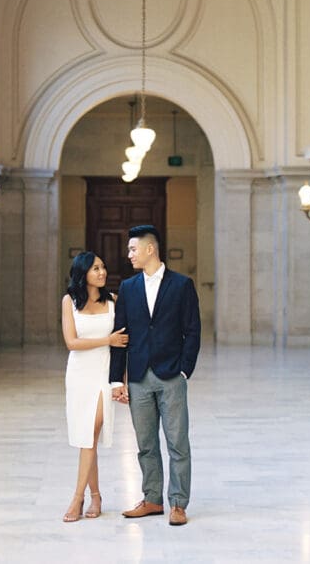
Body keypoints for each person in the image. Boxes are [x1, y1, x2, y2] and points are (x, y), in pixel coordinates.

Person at [110, 224, 201, 526]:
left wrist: (185, 370)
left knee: (177, 443)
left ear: (151, 249)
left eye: (133, 249)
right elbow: (120, 335)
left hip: (171, 375)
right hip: (138, 377)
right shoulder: (128, 287)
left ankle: (178, 503)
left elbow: (193, 330)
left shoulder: (181, 285)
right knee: (146, 443)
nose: (129, 254)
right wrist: (116, 379)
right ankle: (151, 499)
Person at [61, 251, 128, 522]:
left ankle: (77, 499)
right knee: (86, 438)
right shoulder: (69, 301)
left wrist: (118, 382)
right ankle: (96, 497)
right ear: (83, 273)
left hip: (103, 373)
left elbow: (122, 345)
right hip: (79, 374)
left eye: (103, 267)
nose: (102, 272)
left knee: (90, 434)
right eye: (96, 268)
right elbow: (71, 342)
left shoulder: (114, 301)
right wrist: (106, 340)